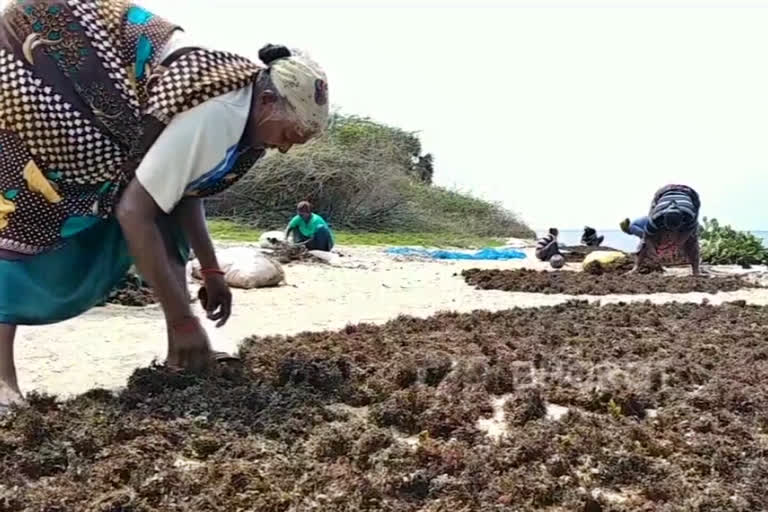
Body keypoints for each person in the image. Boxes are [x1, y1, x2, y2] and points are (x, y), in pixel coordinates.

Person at [0, 0, 329, 410]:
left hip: (110, 106)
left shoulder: (249, 122)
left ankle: (185, 353)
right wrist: (182, 317)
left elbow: (184, 191)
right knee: (30, 213)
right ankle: (2, 378)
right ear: (267, 102)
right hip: (50, 68)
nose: (283, 147)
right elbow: (134, 211)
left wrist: (212, 271)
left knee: (161, 217)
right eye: (289, 134)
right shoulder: (221, 110)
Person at [622, 184, 701, 275]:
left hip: (690, 194)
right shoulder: (656, 219)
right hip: (662, 193)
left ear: (682, 220)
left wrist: (676, 245)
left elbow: (688, 232)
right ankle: (636, 267)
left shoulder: (689, 216)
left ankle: (696, 271)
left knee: (692, 238)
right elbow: (647, 237)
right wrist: (653, 253)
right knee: (649, 239)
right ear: (663, 221)